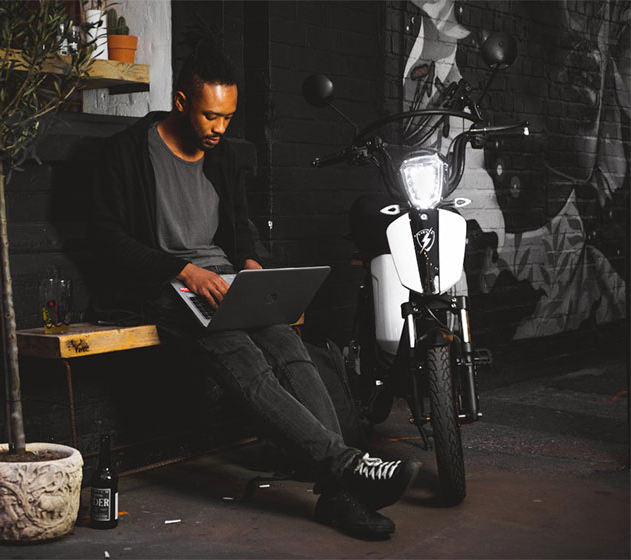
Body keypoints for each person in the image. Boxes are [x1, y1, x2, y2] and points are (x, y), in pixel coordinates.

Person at [90, 43, 420, 540]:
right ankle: (347, 474)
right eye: (210, 115)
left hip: (227, 281)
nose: (220, 128)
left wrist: (251, 265)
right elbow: (111, 241)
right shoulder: (129, 152)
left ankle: (338, 488)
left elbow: (239, 227)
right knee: (245, 360)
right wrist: (183, 271)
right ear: (180, 102)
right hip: (165, 287)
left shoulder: (221, 156)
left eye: (228, 116)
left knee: (290, 346)